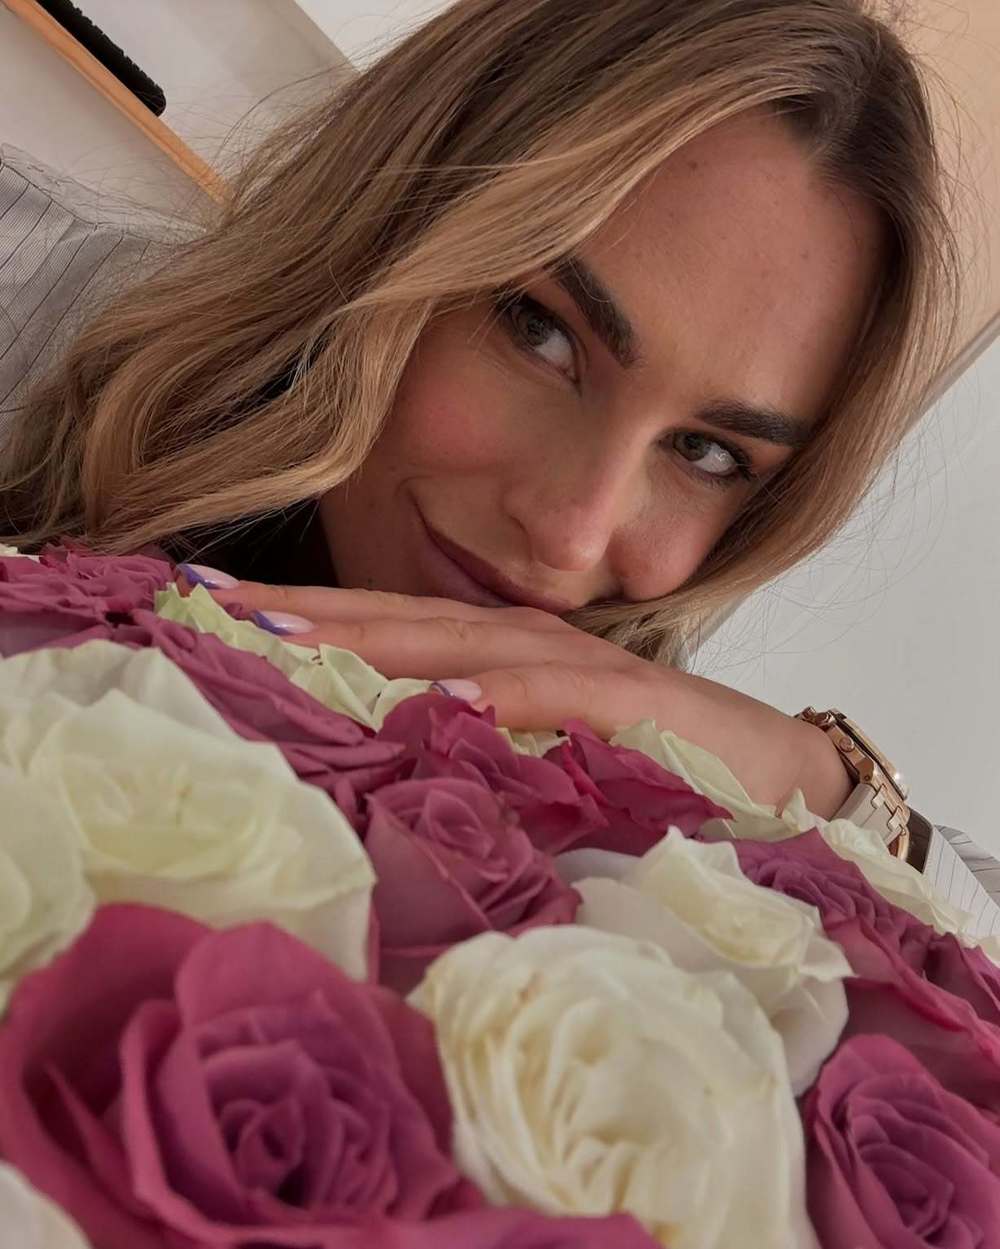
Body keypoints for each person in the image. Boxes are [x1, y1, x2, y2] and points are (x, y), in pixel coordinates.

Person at [0, 0, 964, 853]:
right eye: (540, 332)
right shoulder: (28, 289)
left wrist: (828, 785)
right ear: (386, 222)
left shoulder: (617, 738)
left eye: (706, 452)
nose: (572, 533)